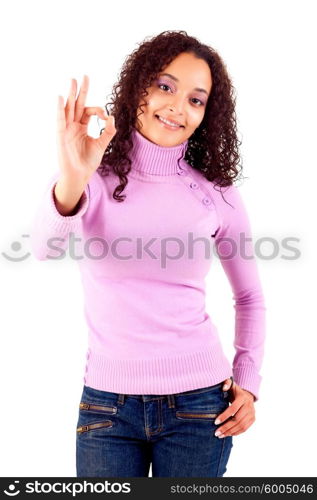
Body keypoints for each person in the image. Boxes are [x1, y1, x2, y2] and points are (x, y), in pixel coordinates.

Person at [30, 30, 266, 477]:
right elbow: (43, 249)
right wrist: (73, 175)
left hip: (200, 406)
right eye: (165, 86)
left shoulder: (216, 193)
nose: (178, 107)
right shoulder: (89, 175)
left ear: (206, 115)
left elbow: (251, 298)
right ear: (138, 86)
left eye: (197, 100)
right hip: (107, 407)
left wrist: (249, 384)